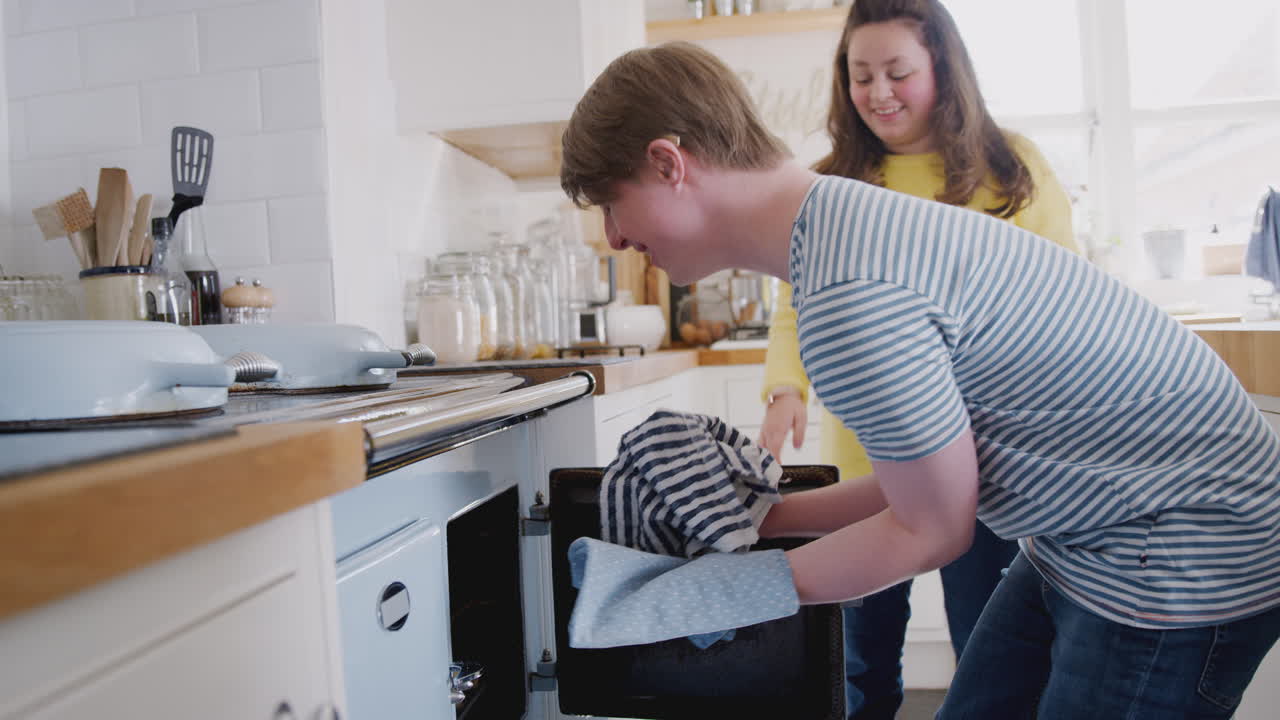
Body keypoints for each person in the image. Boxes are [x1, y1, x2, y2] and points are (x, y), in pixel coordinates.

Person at [558, 38, 1280, 719]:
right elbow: (932, 483)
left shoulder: (849, 291)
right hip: (1099, 522)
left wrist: (708, 591)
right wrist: (765, 519)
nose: (615, 239)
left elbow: (931, 532)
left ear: (667, 163)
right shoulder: (840, 230)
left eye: (609, 204)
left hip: (1182, 541)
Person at [755, 1, 1079, 716]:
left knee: (989, 651)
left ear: (944, 69)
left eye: (898, 72)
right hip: (864, 461)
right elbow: (794, 302)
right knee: (859, 660)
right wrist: (786, 388)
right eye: (860, 74)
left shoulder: (1013, 168)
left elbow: (1065, 300)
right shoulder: (828, 183)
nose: (878, 93)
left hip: (992, 464)